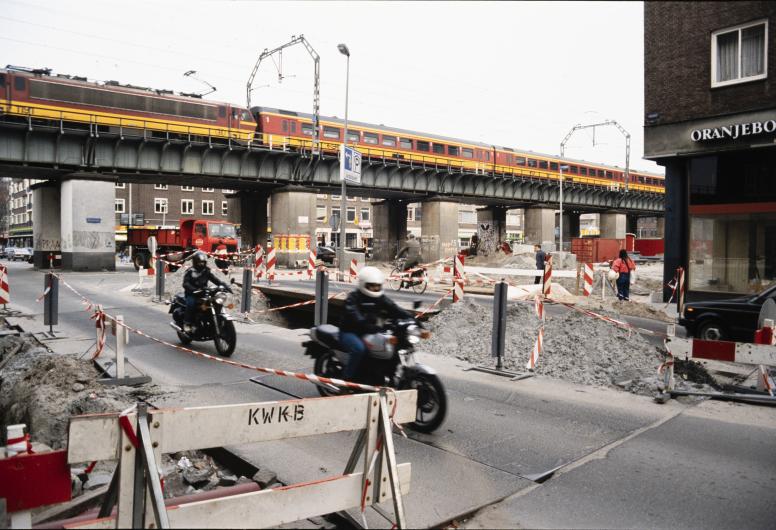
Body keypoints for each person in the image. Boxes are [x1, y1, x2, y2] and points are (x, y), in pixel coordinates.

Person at [339, 266, 413, 380]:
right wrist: (366, 324)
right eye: (372, 286)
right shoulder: (353, 298)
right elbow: (354, 314)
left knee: (392, 347)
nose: (375, 288)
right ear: (364, 284)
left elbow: (395, 309)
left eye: (378, 286)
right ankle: (346, 379)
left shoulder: (380, 298)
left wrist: (412, 319)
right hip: (350, 332)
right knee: (359, 349)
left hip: (370, 331)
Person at [182, 251, 232, 333]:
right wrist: (193, 289)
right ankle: (187, 323)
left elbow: (214, 279)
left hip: (203, 293)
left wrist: (223, 285)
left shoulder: (206, 271)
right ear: (195, 262)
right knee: (191, 304)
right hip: (192, 294)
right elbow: (185, 283)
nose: (201, 264)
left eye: (203, 262)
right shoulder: (190, 271)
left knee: (214, 303)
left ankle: (211, 321)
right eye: (200, 263)